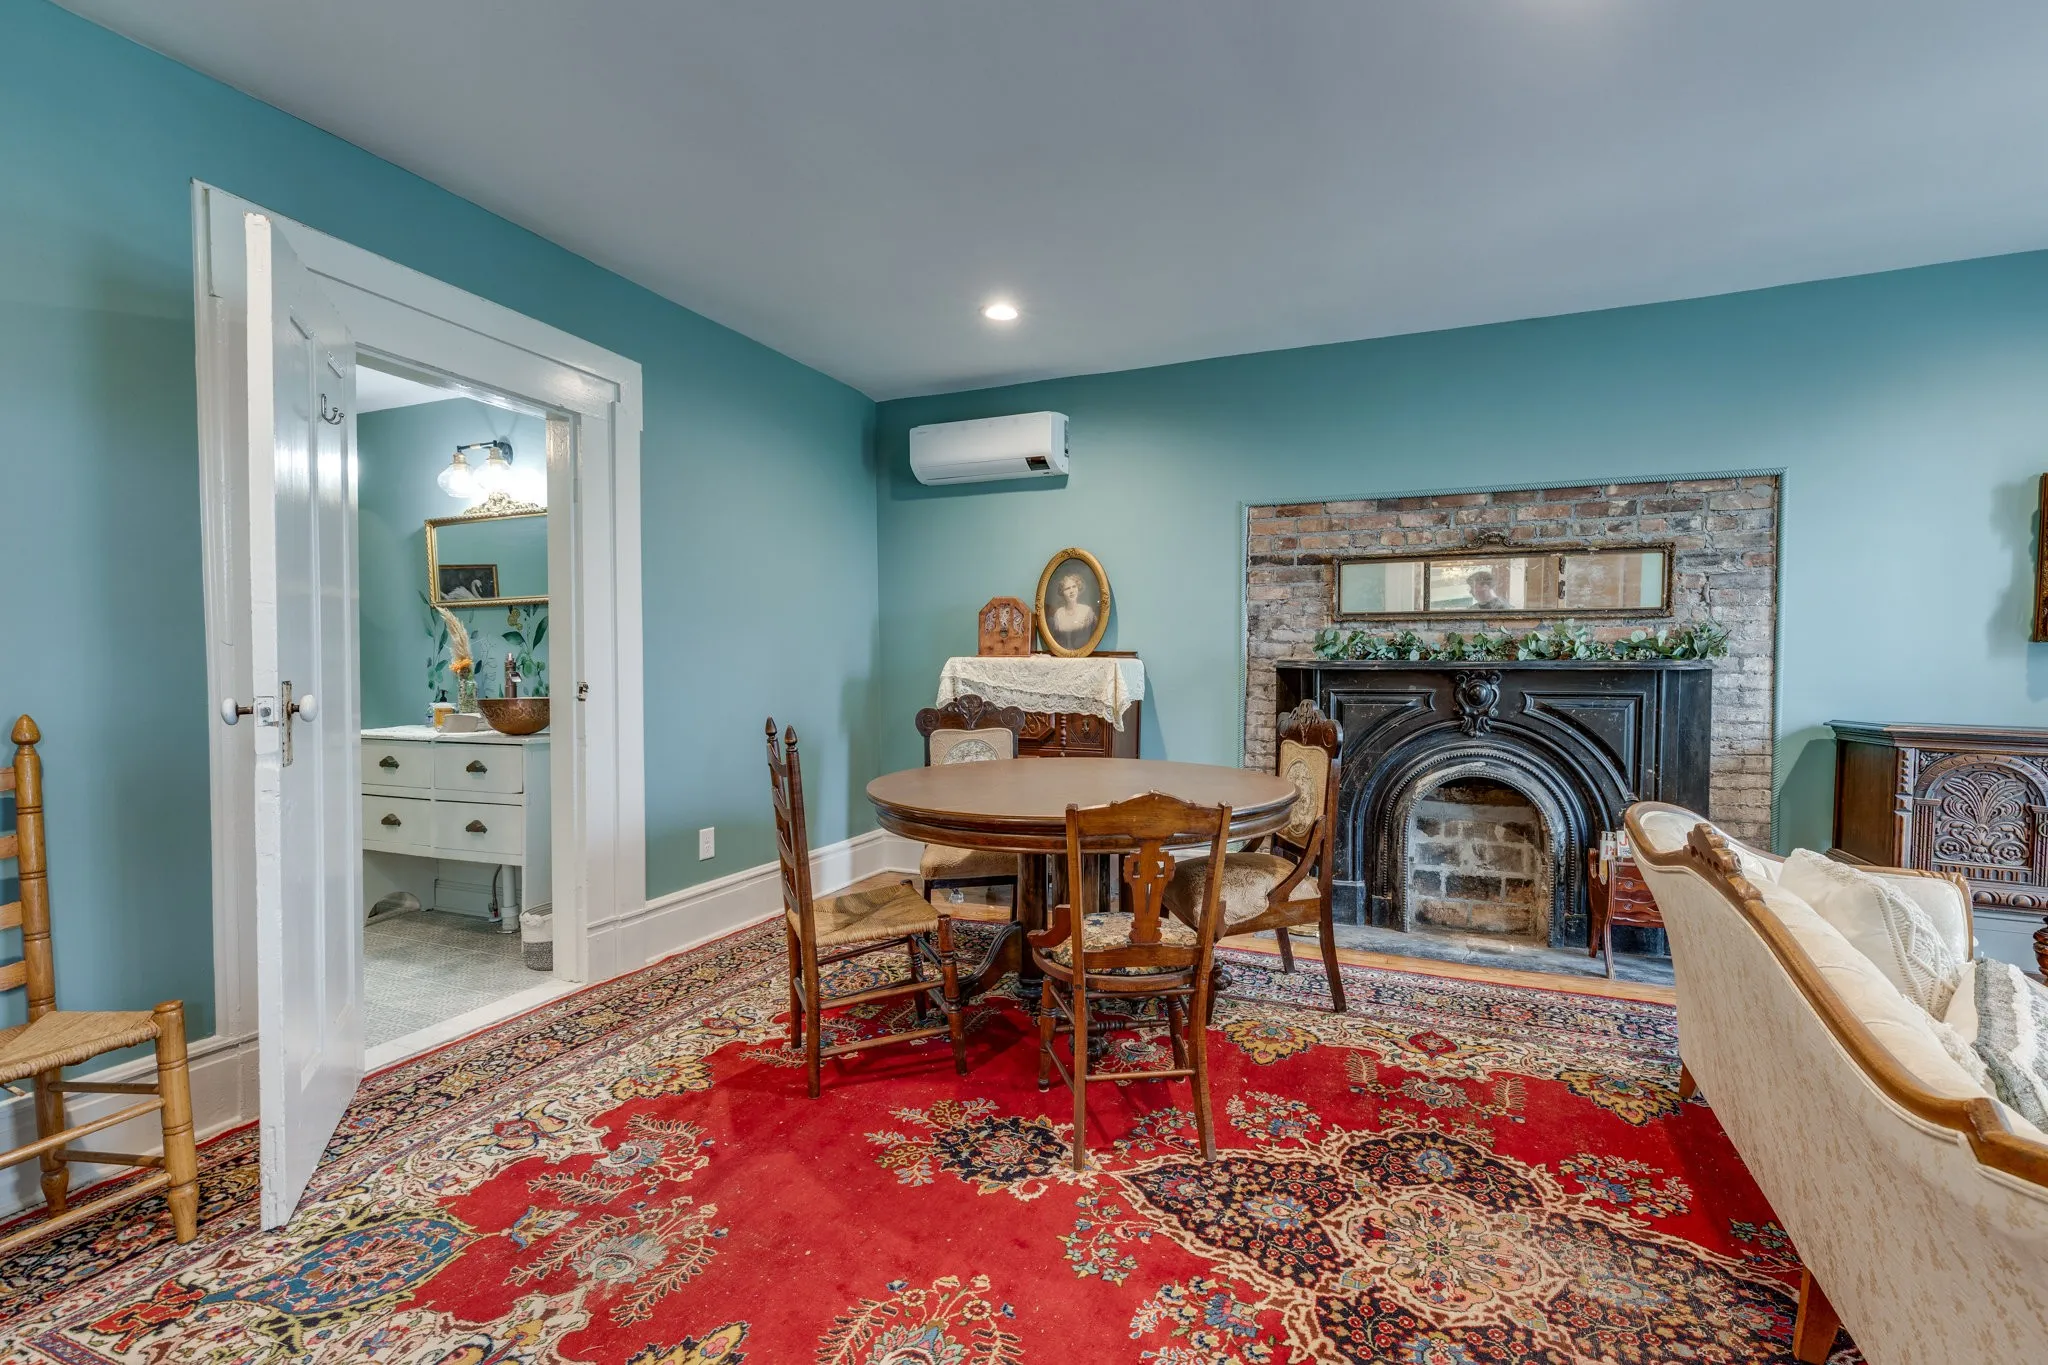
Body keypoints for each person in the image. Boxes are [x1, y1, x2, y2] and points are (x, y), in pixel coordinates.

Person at [1047, 568, 1098, 649]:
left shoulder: (1087, 611)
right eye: (1067, 588)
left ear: (1078, 588)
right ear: (1062, 592)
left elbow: (1095, 637)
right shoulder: (1058, 613)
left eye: (1074, 586)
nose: (1071, 591)